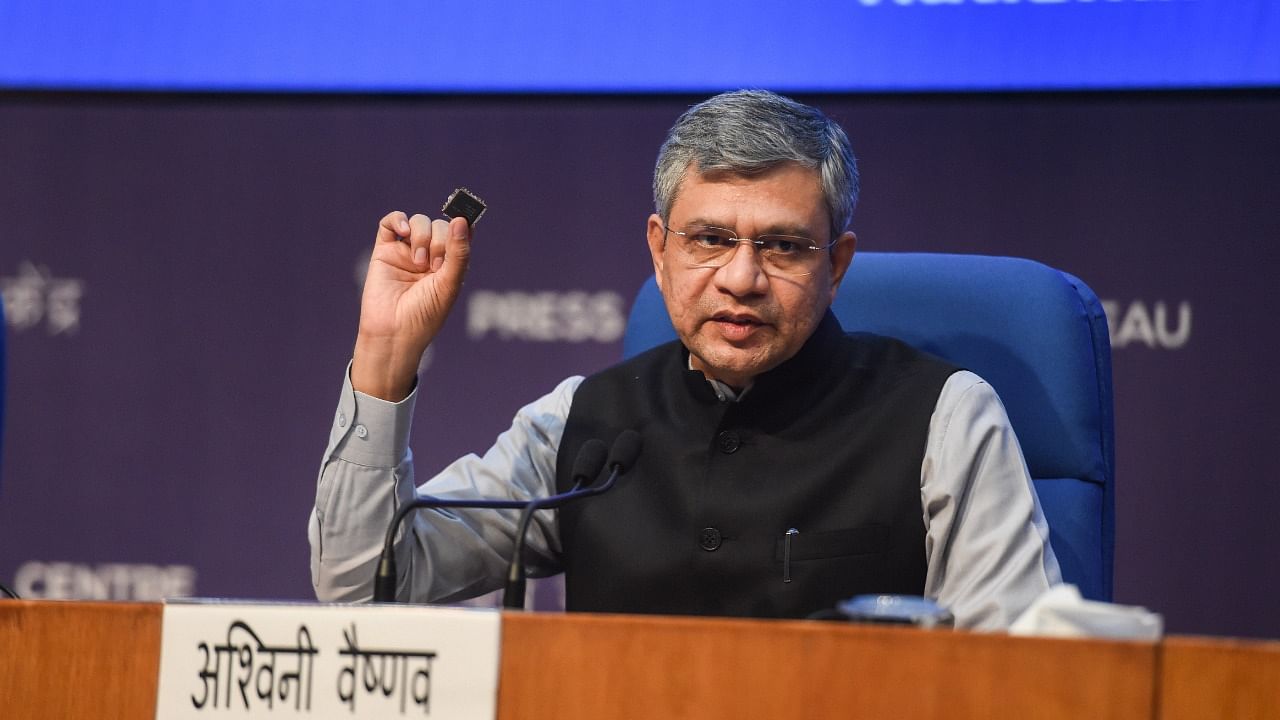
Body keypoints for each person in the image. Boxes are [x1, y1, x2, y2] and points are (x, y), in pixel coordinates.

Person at [309, 90, 1060, 629]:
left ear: (836, 265)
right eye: (709, 239)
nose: (741, 278)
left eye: (783, 245)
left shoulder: (944, 417)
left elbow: (1025, 673)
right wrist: (385, 356)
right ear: (659, 250)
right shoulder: (583, 423)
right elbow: (364, 587)